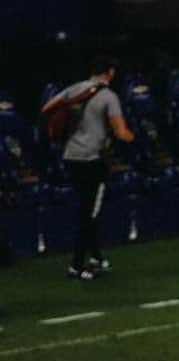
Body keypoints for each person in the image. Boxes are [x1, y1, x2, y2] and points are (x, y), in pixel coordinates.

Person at [40, 55, 134, 281]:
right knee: (88, 214)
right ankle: (76, 265)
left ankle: (97, 257)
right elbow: (121, 132)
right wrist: (133, 138)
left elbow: (47, 108)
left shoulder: (75, 90)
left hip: (71, 157)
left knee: (86, 208)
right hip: (92, 160)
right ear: (110, 72)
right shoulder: (109, 97)